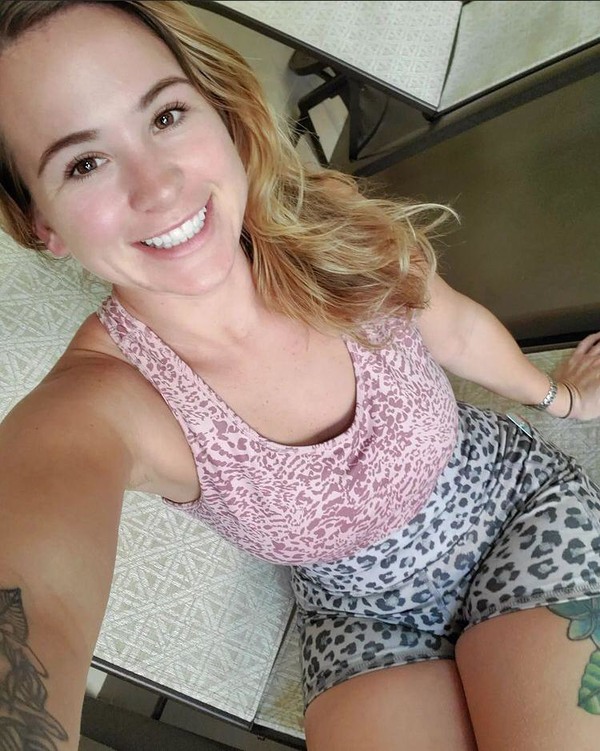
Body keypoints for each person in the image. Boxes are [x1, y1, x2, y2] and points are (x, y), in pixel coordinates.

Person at [0, 1, 599, 749]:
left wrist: (563, 397)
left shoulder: (330, 224)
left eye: (166, 115)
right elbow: (32, 585)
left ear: (218, 112)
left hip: (509, 511)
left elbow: (455, 328)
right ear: (42, 224)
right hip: (360, 618)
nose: (158, 188)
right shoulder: (104, 403)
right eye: (83, 163)